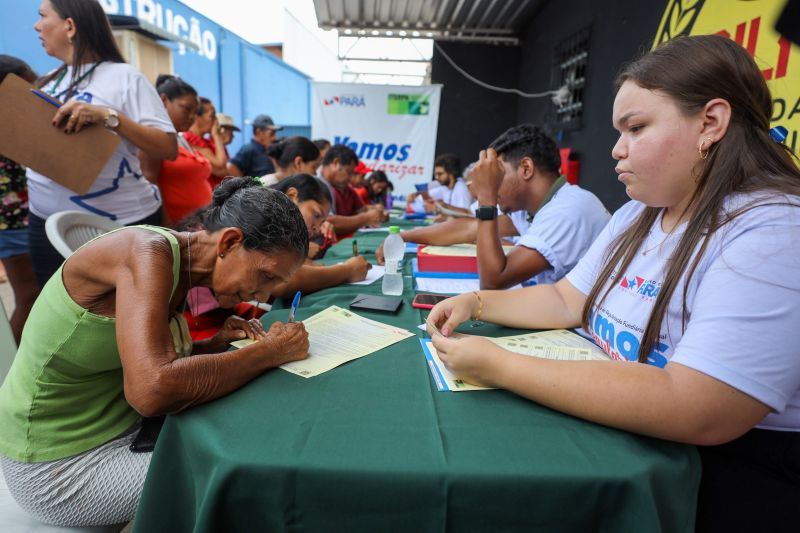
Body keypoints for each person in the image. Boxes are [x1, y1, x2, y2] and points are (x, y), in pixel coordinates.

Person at [427, 35, 800, 531]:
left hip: (729, 483)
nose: (616, 150)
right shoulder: (638, 213)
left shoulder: (774, 232)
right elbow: (566, 299)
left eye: (637, 127)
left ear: (711, 122)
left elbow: (699, 406)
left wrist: (498, 363)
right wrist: (475, 302)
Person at [0, 178, 310, 527]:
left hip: (119, 430)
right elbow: (151, 389)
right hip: (56, 469)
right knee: (244, 470)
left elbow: (133, 359)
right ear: (230, 241)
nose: (264, 295)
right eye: (266, 276)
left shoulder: (177, 264)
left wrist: (214, 345)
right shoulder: (147, 253)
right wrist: (270, 353)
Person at [27, 0, 177, 288]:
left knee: (120, 314)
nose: (36, 25)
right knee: (59, 311)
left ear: (69, 26)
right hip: (45, 222)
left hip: (113, 225)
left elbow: (167, 148)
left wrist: (110, 117)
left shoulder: (125, 78)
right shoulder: (49, 80)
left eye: (42, 16)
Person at [469, 124, 610, 289]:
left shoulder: (567, 211)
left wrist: (486, 194)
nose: (493, 180)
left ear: (526, 169)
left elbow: (493, 282)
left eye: (497, 173)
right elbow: (467, 229)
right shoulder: (527, 207)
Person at [0, 55, 41, 344]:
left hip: (19, 218)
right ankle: (10, 371)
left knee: (31, 294)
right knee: (29, 295)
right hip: (12, 221)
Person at [139, 75, 212, 227]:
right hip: (176, 228)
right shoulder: (154, 137)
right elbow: (150, 182)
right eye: (187, 109)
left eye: (195, 112)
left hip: (198, 225)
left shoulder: (180, 138)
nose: (192, 117)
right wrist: (166, 226)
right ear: (164, 101)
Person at [319, 144, 386, 236]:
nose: (350, 178)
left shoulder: (343, 187)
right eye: (349, 172)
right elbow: (327, 222)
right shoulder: (316, 184)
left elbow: (361, 210)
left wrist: (375, 212)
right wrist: (366, 218)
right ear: (336, 163)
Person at [183, 97, 229, 182]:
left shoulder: (206, 141)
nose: (216, 121)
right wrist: (216, 135)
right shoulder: (189, 140)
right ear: (197, 117)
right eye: (212, 116)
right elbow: (220, 167)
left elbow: (225, 171)